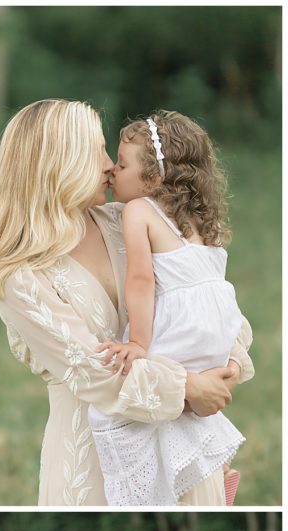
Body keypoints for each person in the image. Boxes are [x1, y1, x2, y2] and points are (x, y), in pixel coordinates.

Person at [0, 100, 254, 505]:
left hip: (185, 454)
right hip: (96, 472)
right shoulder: (21, 276)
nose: (110, 165)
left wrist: (226, 365)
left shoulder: (124, 221)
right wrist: (190, 387)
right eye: (97, 152)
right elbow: (98, 373)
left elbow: (205, 296)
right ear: (61, 163)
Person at [91, 111, 244, 505]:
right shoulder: (197, 217)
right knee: (190, 409)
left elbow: (141, 281)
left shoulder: (138, 211)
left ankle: (147, 491)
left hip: (181, 327)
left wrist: (139, 343)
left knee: (124, 411)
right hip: (215, 331)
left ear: (154, 178)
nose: (112, 172)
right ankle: (218, 472)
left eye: (122, 165)